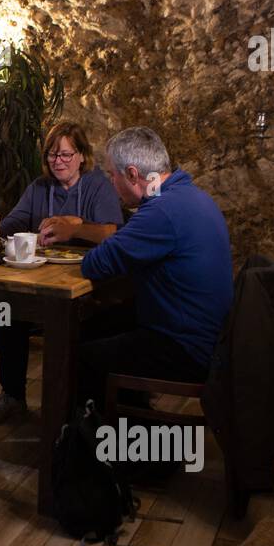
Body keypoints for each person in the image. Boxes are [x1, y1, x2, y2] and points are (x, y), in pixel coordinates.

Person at [75, 126, 233, 410]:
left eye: (113, 174)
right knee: (96, 325)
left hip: (187, 348)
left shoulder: (161, 211)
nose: (112, 182)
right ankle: (132, 418)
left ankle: (99, 446)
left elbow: (94, 264)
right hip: (210, 337)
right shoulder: (192, 196)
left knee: (85, 357)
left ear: (133, 175)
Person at [0, 121, 123, 424]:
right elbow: (15, 221)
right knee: (8, 311)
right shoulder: (39, 187)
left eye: (66, 155)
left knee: (78, 328)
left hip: (88, 282)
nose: (58, 162)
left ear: (82, 156)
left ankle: (72, 408)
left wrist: (75, 229)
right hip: (43, 276)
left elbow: (112, 232)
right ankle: (13, 396)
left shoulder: (99, 185)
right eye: (52, 156)